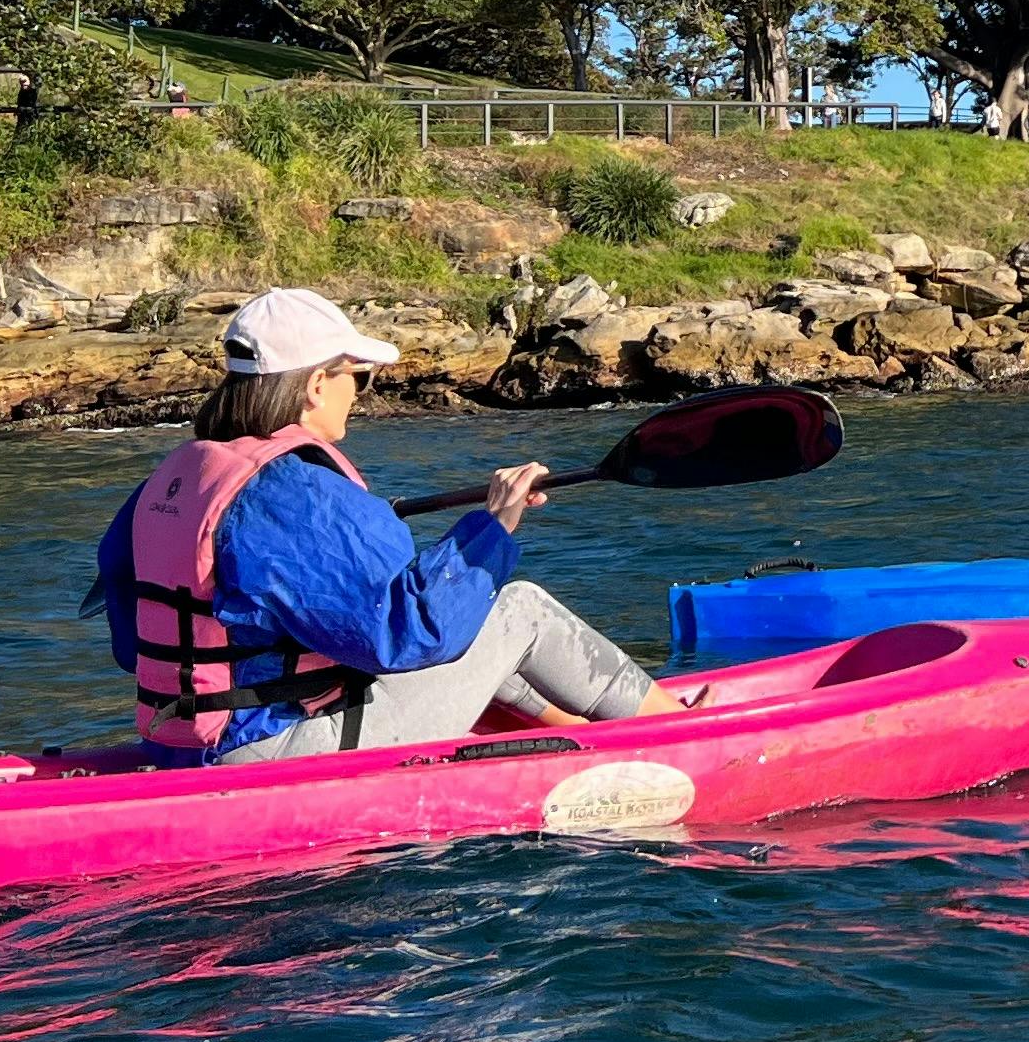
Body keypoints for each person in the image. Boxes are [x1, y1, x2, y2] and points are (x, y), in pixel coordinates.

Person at [87, 287, 678, 763]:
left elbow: (128, 646)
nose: (359, 394)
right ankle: (678, 732)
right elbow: (410, 632)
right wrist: (494, 528)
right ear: (317, 383)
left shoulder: (175, 480)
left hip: (177, 742)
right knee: (516, 607)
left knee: (480, 623)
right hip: (279, 753)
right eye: (358, 377)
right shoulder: (298, 494)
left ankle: (575, 728)